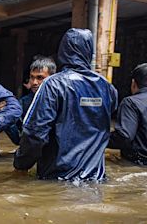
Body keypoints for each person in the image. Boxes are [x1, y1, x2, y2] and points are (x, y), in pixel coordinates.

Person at [13, 28, 118, 182]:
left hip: (57, 178)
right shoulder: (107, 87)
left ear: (63, 51)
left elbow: (35, 133)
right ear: (89, 52)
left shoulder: (53, 84)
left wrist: (21, 164)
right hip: (96, 179)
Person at [5, 56, 56, 145]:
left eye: (40, 78)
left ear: (53, 78)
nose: (34, 82)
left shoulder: (62, 101)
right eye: (32, 77)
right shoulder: (24, 103)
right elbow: (18, 139)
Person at [108, 63, 147, 164]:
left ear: (133, 83)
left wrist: (98, 138)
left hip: (138, 162)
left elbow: (124, 137)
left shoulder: (131, 102)